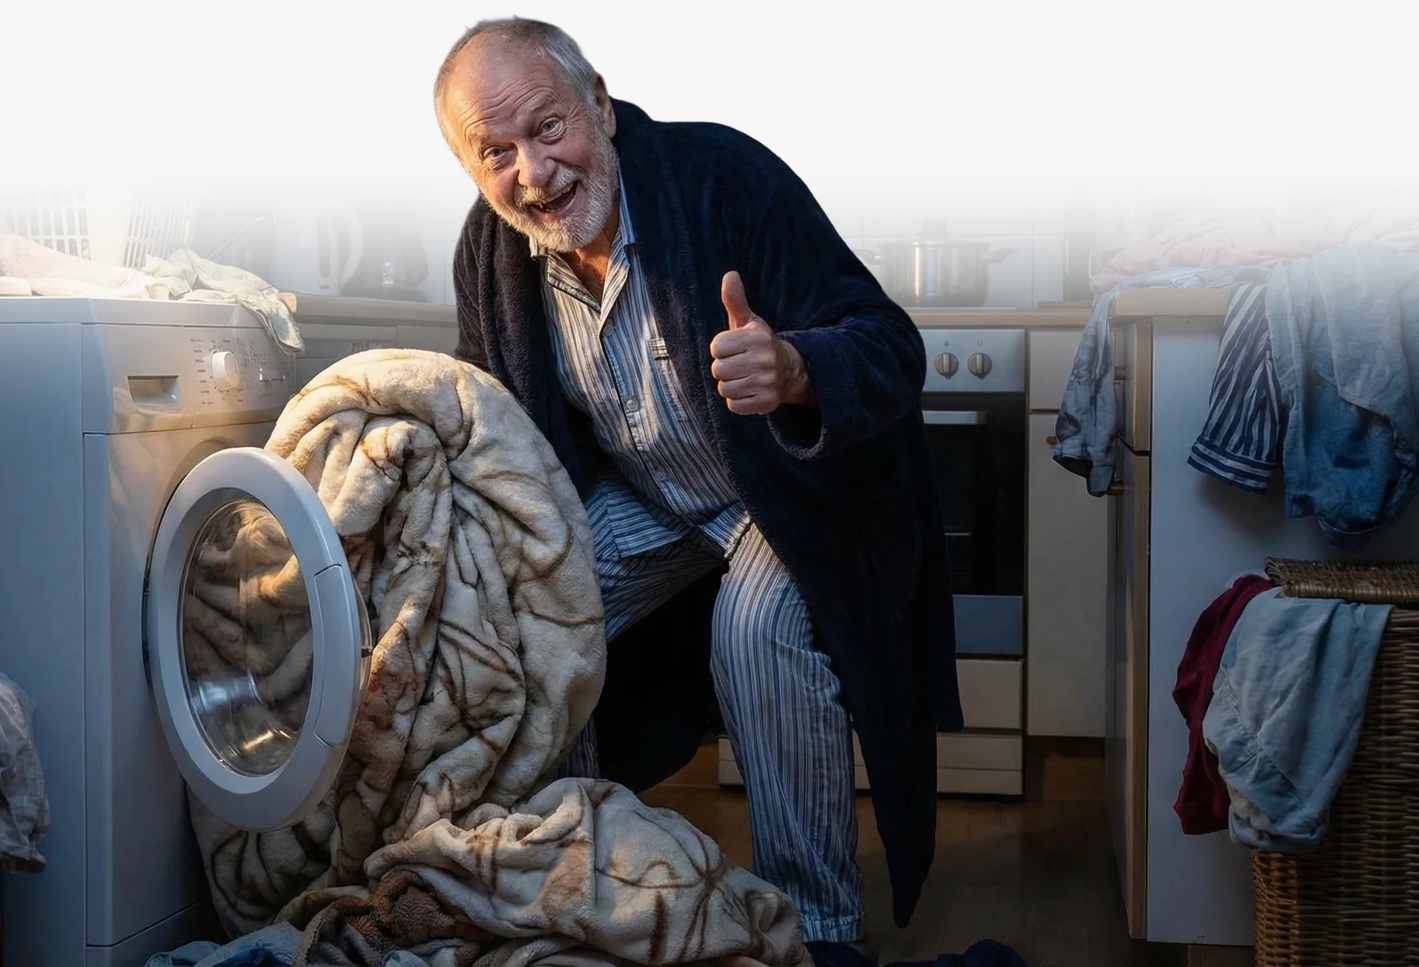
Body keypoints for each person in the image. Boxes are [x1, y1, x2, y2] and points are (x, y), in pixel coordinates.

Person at [433, 18, 962, 967]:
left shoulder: (724, 176)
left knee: (755, 631)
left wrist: (795, 366)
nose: (534, 173)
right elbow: (498, 428)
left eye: (548, 127)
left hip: (786, 490)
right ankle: (577, 887)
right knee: (526, 615)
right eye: (496, 153)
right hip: (653, 495)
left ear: (599, 103)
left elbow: (889, 342)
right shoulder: (491, 252)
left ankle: (818, 932)